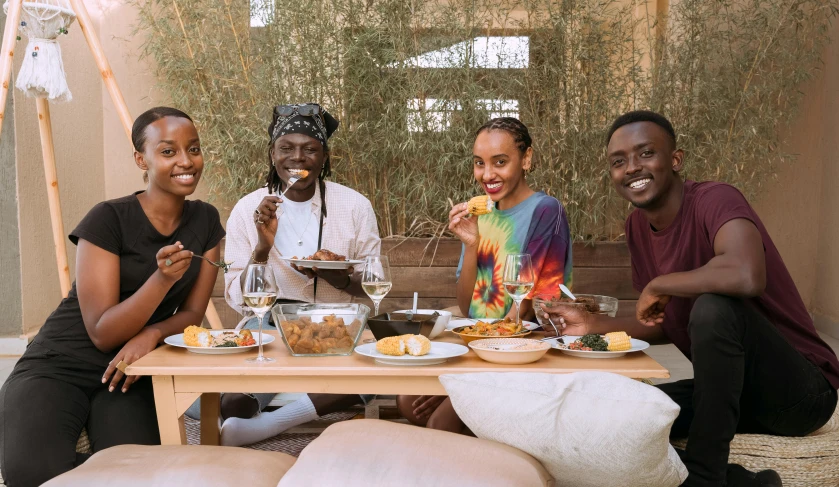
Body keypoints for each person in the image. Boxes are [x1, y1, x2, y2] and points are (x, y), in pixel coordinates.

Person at [543, 110, 839, 487]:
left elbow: (747, 274)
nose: (632, 167)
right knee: (627, 417)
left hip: (800, 394)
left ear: (676, 160)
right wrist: (591, 327)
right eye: (619, 161)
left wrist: (660, 283)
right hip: (729, 390)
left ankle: (705, 476)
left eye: (645, 153)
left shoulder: (715, 200)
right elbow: (666, 319)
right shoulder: (637, 227)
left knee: (714, 307)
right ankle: (747, 483)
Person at [0, 107, 224, 486]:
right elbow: (102, 332)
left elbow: (192, 316)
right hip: (58, 364)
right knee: (31, 474)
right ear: (142, 159)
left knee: (134, 475)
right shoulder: (108, 219)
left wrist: (151, 335)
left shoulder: (206, 220)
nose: (186, 161)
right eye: (168, 151)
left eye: (194, 148)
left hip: (130, 372)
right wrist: (161, 280)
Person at [208, 103, 380, 447]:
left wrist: (339, 278)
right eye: (286, 148)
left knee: (378, 374)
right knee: (234, 402)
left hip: (339, 324)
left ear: (324, 157)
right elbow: (237, 296)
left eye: (309, 149)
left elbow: (374, 286)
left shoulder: (354, 206)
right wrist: (261, 248)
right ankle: (259, 414)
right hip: (268, 323)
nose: (297, 158)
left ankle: (269, 425)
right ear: (272, 154)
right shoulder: (248, 209)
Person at [398, 116, 573, 433]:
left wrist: (462, 375)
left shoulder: (546, 211)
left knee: (439, 422)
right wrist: (473, 242)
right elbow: (468, 308)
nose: (487, 175)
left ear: (527, 159)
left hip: (521, 350)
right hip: (479, 343)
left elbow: (524, 308)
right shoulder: (481, 213)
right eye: (479, 163)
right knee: (406, 402)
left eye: (500, 162)